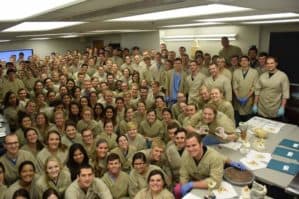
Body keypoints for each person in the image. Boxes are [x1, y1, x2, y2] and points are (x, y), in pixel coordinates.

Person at [233, 56, 259, 122]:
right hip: (238, 100)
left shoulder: (254, 72)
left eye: (245, 60)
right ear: (240, 63)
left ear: (249, 62)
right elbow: (234, 86)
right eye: (242, 61)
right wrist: (238, 97)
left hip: (249, 99)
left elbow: (254, 87)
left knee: (248, 120)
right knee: (238, 120)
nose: (243, 62)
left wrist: (246, 98)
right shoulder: (236, 72)